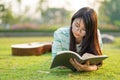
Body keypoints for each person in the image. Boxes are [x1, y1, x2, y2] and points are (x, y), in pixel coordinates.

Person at [52, 7, 103, 72]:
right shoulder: (60, 34)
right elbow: (56, 61)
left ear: (90, 31)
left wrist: (89, 68)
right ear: (73, 20)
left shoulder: (95, 35)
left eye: (84, 29)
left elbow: (98, 62)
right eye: (77, 25)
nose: (78, 31)